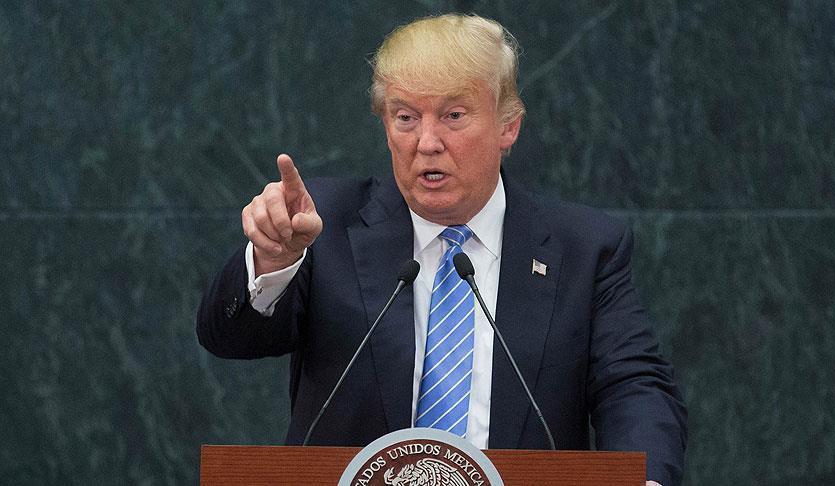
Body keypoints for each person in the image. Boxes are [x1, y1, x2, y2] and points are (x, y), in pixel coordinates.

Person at [197, 13, 686, 486]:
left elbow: (633, 385)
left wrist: (644, 479)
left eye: (453, 116)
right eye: (405, 117)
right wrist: (275, 259)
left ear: (508, 126)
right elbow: (230, 339)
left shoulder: (583, 247)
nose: (427, 142)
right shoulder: (325, 224)